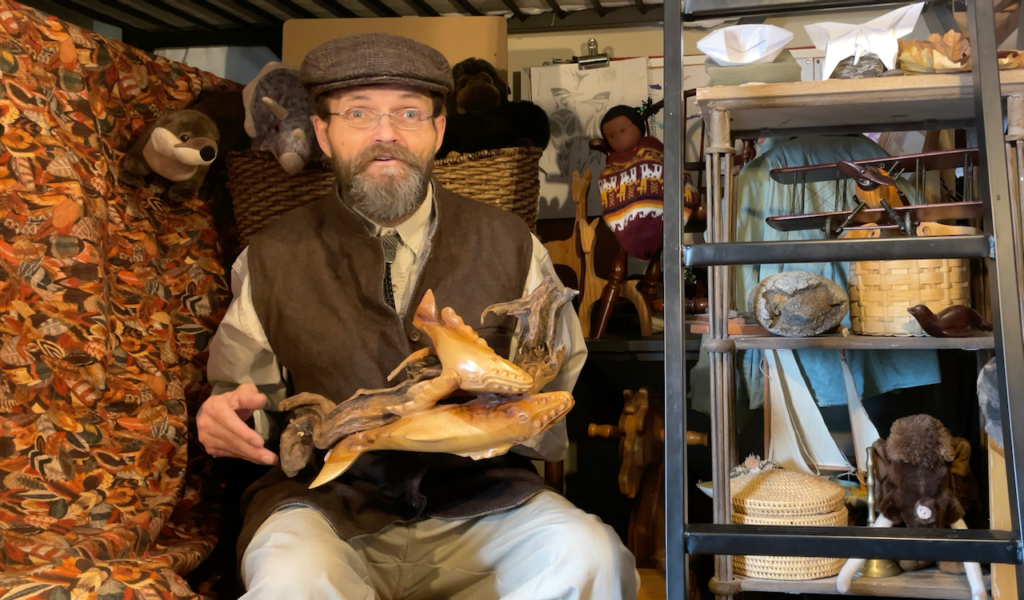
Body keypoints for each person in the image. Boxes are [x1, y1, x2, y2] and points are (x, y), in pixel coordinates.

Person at [197, 33, 638, 600]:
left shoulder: (510, 243)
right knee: (290, 581)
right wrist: (228, 419)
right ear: (324, 135)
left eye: (408, 113)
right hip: (327, 506)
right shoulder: (271, 256)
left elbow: (553, 402)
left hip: (484, 501)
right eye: (359, 114)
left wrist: (502, 414)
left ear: (438, 132)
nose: (386, 134)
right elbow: (246, 403)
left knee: (589, 555)